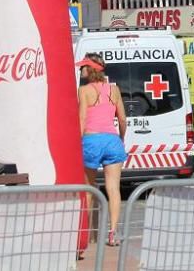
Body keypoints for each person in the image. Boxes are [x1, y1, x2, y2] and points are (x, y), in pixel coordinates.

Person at [77, 54, 127, 248]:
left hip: (91, 140)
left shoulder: (84, 90)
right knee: (113, 188)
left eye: (83, 67)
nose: (81, 70)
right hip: (112, 140)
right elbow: (122, 119)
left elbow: (82, 118)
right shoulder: (114, 90)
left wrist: (78, 141)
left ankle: (86, 235)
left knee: (89, 189)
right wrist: (121, 137)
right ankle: (112, 233)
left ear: (90, 69)